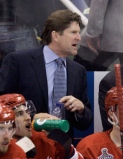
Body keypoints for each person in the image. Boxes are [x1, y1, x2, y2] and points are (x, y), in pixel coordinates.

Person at [0, 9, 93, 143]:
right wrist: (30, 118)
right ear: (55, 36)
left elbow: (85, 123)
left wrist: (81, 109)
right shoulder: (19, 62)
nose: (79, 37)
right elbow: (2, 104)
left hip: (62, 149)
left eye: (79, 32)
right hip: (26, 146)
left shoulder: (78, 70)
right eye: (73, 32)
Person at [0, 93, 88, 159]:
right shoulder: (4, 148)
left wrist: (68, 150)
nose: (28, 117)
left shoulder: (44, 138)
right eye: (19, 114)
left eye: (27, 112)